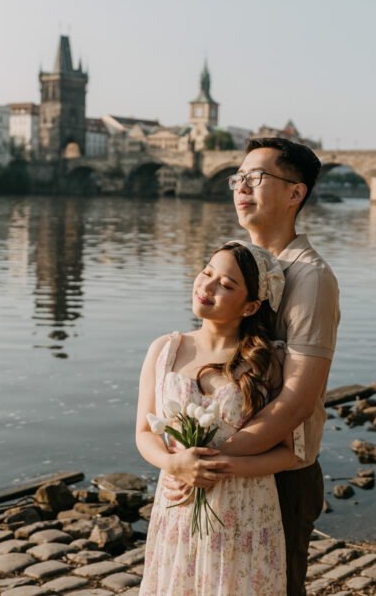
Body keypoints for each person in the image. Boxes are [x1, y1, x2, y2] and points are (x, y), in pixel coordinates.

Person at [165, 137, 340, 596]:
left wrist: (213, 460)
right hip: (225, 467)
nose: (241, 187)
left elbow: (298, 399)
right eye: (237, 178)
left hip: (275, 473)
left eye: (256, 178)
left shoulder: (311, 277)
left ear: (295, 194)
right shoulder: (238, 263)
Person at [135, 241, 302, 595]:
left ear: (252, 305)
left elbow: (289, 452)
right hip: (178, 506)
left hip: (246, 513)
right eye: (207, 272)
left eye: (226, 285)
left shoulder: (266, 361)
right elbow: (144, 432)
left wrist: (220, 467)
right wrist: (173, 462)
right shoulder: (165, 349)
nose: (207, 286)